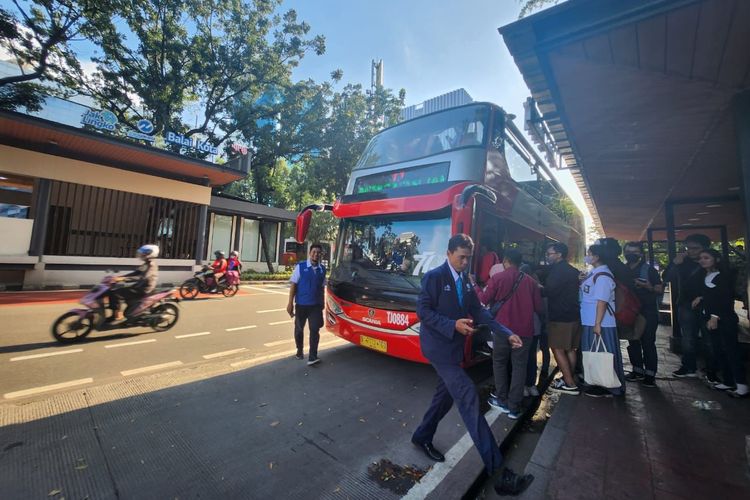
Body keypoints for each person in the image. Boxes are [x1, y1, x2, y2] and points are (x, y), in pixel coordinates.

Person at [412, 234, 533, 496]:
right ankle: (500, 474)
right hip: (438, 349)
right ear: (449, 253)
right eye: (461, 257)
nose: (465, 262)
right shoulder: (434, 277)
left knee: (443, 399)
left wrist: (506, 331)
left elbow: (480, 312)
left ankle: (422, 436)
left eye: (468, 258)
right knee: (467, 396)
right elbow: (423, 311)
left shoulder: (465, 281)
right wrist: (451, 324)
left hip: (453, 349)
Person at [474, 249, 543, 418]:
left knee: (499, 363)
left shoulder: (497, 278)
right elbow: (539, 308)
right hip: (525, 332)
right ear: (519, 263)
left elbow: (483, 299)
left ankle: (502, 399)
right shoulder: (531, 282)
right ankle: (514, 407)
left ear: (505, 261)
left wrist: (474, 285)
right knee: (519, 367)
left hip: (502, 330)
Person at [692, 249, 748, 397]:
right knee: (719, 350)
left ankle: (741, 385)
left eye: (706, 258)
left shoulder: (723, 277)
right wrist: (701, 298)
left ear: (716, 259)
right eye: (700, 258)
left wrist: (715, 316)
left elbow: (725, 298)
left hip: (724, 319)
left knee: (731, 350)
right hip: (709, 317)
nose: (702, 260)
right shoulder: (705, 275)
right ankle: (728, 381)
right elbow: (712, 294)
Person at [663, 234, 713, 379]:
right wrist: (674, 264)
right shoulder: (682, 262)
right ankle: (688, 366)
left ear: (705, 248)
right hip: (686, 304)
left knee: (709, 339)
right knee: (688, 338)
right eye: (688, 248)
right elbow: (666, 278)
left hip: (708, 306)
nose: (691, 251)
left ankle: (711, 370)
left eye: (695, 248)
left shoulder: (711, 262)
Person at [579, 244, 626, 397]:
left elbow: (602, 301)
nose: (588, 256)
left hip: (600, 322)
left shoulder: (604, 276)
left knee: (603, 353)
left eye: (589, 254)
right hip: (591, 320)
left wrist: (597, 324)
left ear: (597, 257)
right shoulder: (596, 273)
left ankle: (608, 387)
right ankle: (597, 382)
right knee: (596, 353)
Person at [544, 242, 583, 396]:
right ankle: (569, 378)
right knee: (570, 348)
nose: (548, 257)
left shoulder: (557, 271)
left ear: (559, 254)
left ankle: (569, 383)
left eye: (550, 254)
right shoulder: (572, 270)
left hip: (560, 316)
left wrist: (538, 288)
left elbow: (549, 291)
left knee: (557, 348)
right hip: (573, 315)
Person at [622, 242, 663, 387]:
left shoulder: (649, 270)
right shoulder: (623, 269)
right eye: (628, 251)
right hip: (630, 312)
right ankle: (637, 370)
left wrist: (648, 286)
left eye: (635, 251)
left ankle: (650, 374)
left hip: (648, 312)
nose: (631, 254)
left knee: (648, 343)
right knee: (633, 341)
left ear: (641, 253)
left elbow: (659, 289)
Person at [287, 244, 326, 366]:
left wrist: (323, 303)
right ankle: (299, 350)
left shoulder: (322, 269)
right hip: (301, 305)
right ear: (310, 253)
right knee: (299, 330)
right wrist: (290, 304)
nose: (316, 254)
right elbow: (294, 284)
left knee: (315, 330)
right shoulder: (301, 267)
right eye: (314, 252)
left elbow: (322, 287)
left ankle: (312, 356)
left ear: (320, 255)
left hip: (315, 306)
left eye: (318, 252)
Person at [108, 244, 159, 321]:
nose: (142, 254)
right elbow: (135, 273)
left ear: (150, 253)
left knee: (116, 293)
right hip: (139, 286)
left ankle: (117, 315)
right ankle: (117, 314)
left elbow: (142, 277)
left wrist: (123, 279)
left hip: (144, 289)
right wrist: (119, 277)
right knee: (115, 292)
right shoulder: (146, 264)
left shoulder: (151, 265)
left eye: (144, 253)